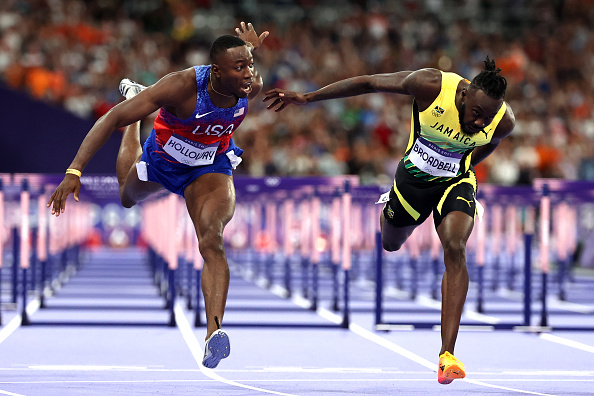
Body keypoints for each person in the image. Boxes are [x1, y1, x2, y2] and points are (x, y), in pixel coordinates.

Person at [264, 56, 514, 384]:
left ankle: (446, 355)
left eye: (488, 117)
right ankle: (389, 206)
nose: (480, 122)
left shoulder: (504, 121)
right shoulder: (431, 86)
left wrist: (463, 163)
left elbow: (490, 142)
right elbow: (368, 81)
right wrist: (309, 98)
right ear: (464, 94)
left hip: (455, 181)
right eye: (476, 113)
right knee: (391, 242)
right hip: (412, 180)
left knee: (455, 247)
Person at [47, 22, 269, 369]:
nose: (248, 75)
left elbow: (248, 71)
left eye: (250, 66)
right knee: (126, 196)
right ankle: (136, 97)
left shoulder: (250, 87)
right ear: (216, 72)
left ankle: (214, 332)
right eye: (239, 67)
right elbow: (110, 119)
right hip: (163, 163)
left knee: (211, 240)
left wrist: (247, 55)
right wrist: (74, 170)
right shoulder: (181, 86)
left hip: (209, 167)